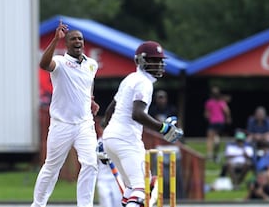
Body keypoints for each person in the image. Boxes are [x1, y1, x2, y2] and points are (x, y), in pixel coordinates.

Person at [100, 41, 183, 207]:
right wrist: (164, 128)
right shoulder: (144, 83)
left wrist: (103, 140)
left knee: (132, 188)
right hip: (127, 140)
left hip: (111, 139)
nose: (159, 64)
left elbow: (109, 112)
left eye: (160, 61)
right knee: (143, 188)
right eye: (154, 60)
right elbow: (137, 114)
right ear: (141, 61)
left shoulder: (130, 79)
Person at [30, 20, 100, 207]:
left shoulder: (92, 64)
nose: (78, 41)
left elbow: (86, 85)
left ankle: (85, 205)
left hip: (85, 124)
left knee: (91, 163)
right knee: (52, 167)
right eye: (73, 39)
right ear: (67, 43)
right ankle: (38, 204)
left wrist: (90, 100)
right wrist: (55, 40)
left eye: (80, 39)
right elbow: (44, 64)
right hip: (62, 124)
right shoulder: (60, 63)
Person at [204, 86, 231, 161]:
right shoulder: (222, 102)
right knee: (216, 135)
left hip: (213, 121)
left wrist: (207, 117)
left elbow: (206, 114)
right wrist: (228, 118)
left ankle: (209, 154)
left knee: (210, 138)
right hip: (221, 122)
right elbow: (227, 111)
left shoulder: (209, 102)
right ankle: (217, 143)